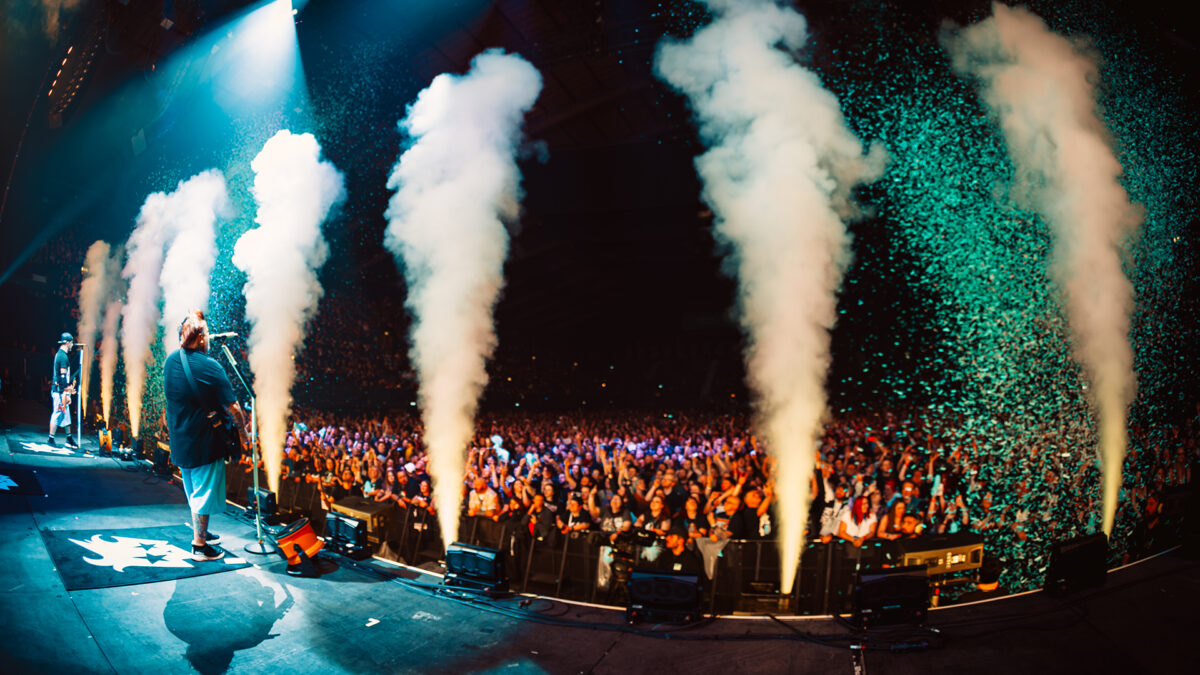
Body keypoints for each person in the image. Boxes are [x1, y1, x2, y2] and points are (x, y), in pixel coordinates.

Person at [163, 310, 247, 562]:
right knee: (202, 493)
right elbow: (234, 408)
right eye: (207, 333)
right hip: (204, 443)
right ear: (199, 338)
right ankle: (199, 546)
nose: (210, 337)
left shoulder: (170, 361)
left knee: (194, 492)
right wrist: (243, 433)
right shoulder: (211, 367)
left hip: (180, 440)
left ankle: (203, 532)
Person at [48, 332, 78, 448]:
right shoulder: (63, 357)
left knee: (66, 415)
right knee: (57, 413)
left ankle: (69, 438)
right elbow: (62, 376)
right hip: (60, 392)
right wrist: (65, 393)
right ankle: (50, 439)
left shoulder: (59, 354)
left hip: (60, 390)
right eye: (71, 343)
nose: (72, 345)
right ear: (67, 343)